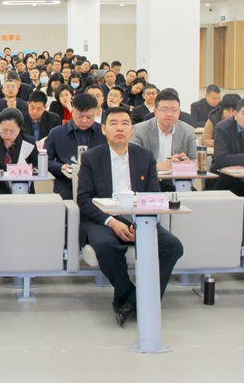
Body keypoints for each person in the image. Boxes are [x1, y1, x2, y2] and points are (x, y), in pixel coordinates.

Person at [76, 106, 184, 326]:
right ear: (104, 129)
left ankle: (132, 301)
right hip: (102, 220)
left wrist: (139, 222)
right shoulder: (91, 158)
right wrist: (113, 223)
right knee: (106, 247)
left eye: (125, 123)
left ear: (132, 129)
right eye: (114, 123)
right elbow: (84, 200)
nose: (120, 128)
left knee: (173, 246)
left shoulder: (144, 156)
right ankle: (135, 297)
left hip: (139, 219)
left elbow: (153, 195)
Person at [129, 90, 198, 191]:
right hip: (147, 183)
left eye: (174, 110)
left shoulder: (188, 131)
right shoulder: (139, 130)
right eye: (164, 110)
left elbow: (195, 161)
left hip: (177, 183)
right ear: (155, 112)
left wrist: (188, 164)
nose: (169, 114)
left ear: (179, 113)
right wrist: (160, 166)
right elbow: (133, 163)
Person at [45, 94, 107, 199]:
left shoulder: (104, 132)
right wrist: (60, 167)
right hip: (66, 183)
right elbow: (44, 160)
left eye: (89, 117)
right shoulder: (57, 133)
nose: (84, 121)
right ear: (73, 111)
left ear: (95, 113)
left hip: (97, 182)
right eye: (80, 116)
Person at [0, 108, 39, 197]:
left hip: (22, 186)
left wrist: (33, 168)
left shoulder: (29, 142)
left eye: (12, 131)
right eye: (4, 130)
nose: (8, 134)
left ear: (19, 128)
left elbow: (37, 165)